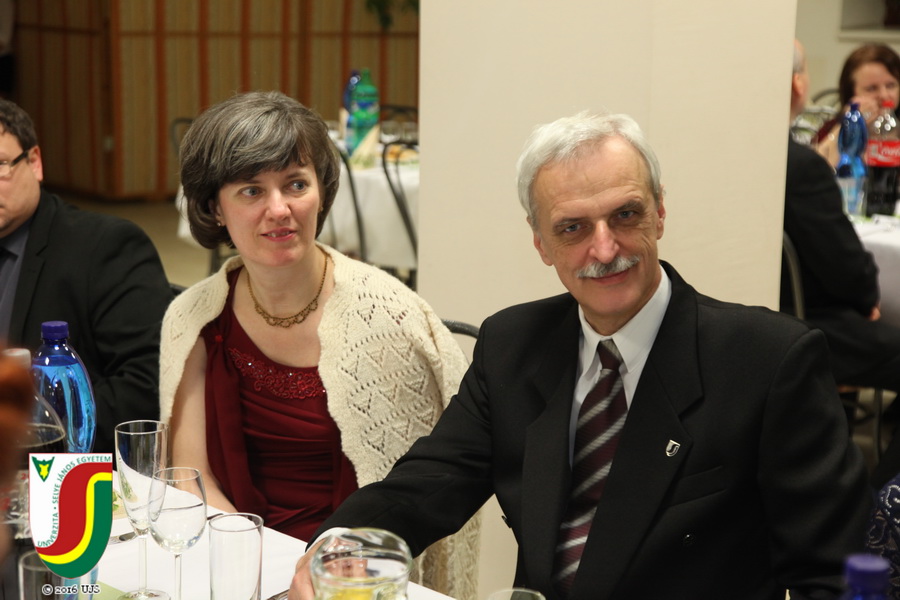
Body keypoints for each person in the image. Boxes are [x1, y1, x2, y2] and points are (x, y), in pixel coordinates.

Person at [288, 109, 871, 600]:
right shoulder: (513, 345)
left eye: (626, 215)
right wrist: (337, 548)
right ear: (540, 242)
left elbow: (835, 576)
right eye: (572, 228)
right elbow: (429, 483)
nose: (605, 248)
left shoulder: (767, 362)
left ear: (660, 212)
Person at [159, 91, 479, 600]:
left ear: (322, 193)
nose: (279, 210)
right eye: (251, 191)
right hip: (237, 562)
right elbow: (191, 481)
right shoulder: (193, 318)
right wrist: (255, 571)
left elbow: (416, 503)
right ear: (214, 208)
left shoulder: (390, 321)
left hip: (355, 575)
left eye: (296, 184)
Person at [0, 99, 172, 454]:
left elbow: (146, 385)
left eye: (0, 166)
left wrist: (23, 437)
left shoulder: (106, 246)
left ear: (35, 162)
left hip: (59, 467)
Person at [786, 41, 900, 488]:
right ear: (798, 86)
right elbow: (849, 270)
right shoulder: (801, 165)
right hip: (807, 323)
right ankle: (882, 503)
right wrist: (867, 298)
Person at [814, 43, 900, 167]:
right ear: (851, 93)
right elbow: (815, 168)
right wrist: (847, 126)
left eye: (890, 86)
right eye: (871, 88)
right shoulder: (832, 127)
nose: (884, 95)